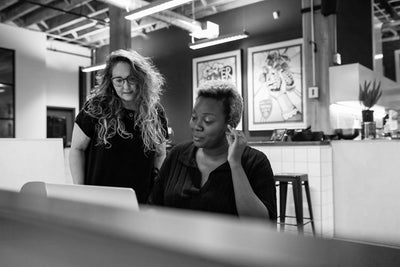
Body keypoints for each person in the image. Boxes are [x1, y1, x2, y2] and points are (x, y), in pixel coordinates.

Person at [149, 80, 277, 221]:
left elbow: (262, 224)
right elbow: (155, 206)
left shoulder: (254, 162)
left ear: (230, 125)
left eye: (208, 120)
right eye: (194, 117)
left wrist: (235, 164)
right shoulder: (177, 154)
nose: (197, 126)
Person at [69, 49, 168, 204]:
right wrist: (80, 191)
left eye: (131, 79)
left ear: (141, 79)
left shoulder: (155, 111)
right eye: (119, 80)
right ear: (110, 81)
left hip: (139, 200)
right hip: (99, 200)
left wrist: (156, 190)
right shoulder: (96, 108)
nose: (126, 86)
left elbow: (160, 154)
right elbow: (77, 149)